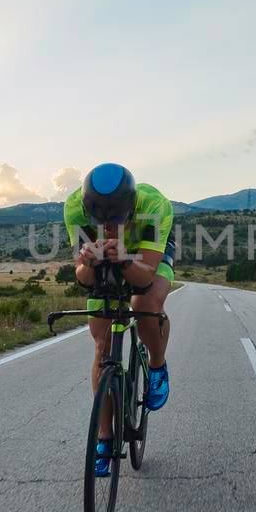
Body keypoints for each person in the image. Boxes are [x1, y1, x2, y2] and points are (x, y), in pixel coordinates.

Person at [64, 163, 174, 475]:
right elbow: (84, 280)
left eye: (116, 220)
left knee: (143, 302)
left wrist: (125, 258)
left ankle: (157, 364)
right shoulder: (74, 209)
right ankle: (104, 438)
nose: (109, 227)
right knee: (102, 342)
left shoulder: (154, 206)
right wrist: (87, 262)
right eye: (102, 222)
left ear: (130, 206)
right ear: (88, 209)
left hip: (147, 256)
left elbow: (146, 276)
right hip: (106, 257)